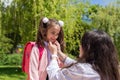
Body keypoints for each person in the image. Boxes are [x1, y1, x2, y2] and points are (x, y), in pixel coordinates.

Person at [47, 30, 120, 80]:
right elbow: (77, 65)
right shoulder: (108, 70)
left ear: (87, 48)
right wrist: (59, 53)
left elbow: (54, 77)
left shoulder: (83, 69)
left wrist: (54, 55)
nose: (79, 46)